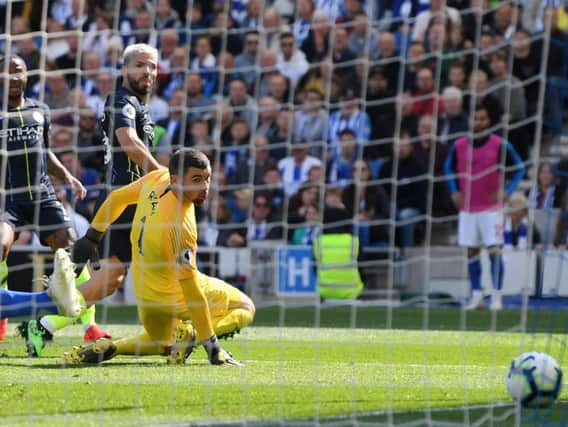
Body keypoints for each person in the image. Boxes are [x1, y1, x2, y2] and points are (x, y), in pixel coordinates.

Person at [62, 149, 253, 366]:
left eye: (207, 179)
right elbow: (191, 291)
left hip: (145, 295)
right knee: (245, 307)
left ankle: (113, 348)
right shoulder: (180, 228)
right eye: (196, 180)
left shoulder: (157, 178)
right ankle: (191, 333)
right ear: (176, 180)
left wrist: (92, 236)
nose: (204, 188)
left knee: (163, 343)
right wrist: (211, 345)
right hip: (174, 295)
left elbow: (116, 198)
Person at [0, 55, 109, 352]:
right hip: (6, 198)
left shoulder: (41, 110)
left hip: (42, 196)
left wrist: (68, 177)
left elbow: (45, 152)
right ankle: (4, 307)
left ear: (27, 75)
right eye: (6, 72)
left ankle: (85, 325)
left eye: (18, 71)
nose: (12, 77)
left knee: (75, 256)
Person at [444, 104, 525, 311]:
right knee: (471, 251)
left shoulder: (500, 144)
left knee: (494, 250)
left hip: (491, 209)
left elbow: (520, 168)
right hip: (468, 209)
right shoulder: (459, 145)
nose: (478, 123)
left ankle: (496, 298)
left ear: (489, 121)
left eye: (482, 119)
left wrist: (507, 190)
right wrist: (454, 190)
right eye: (475, 119)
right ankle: (477, 295)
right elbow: (447, 167)